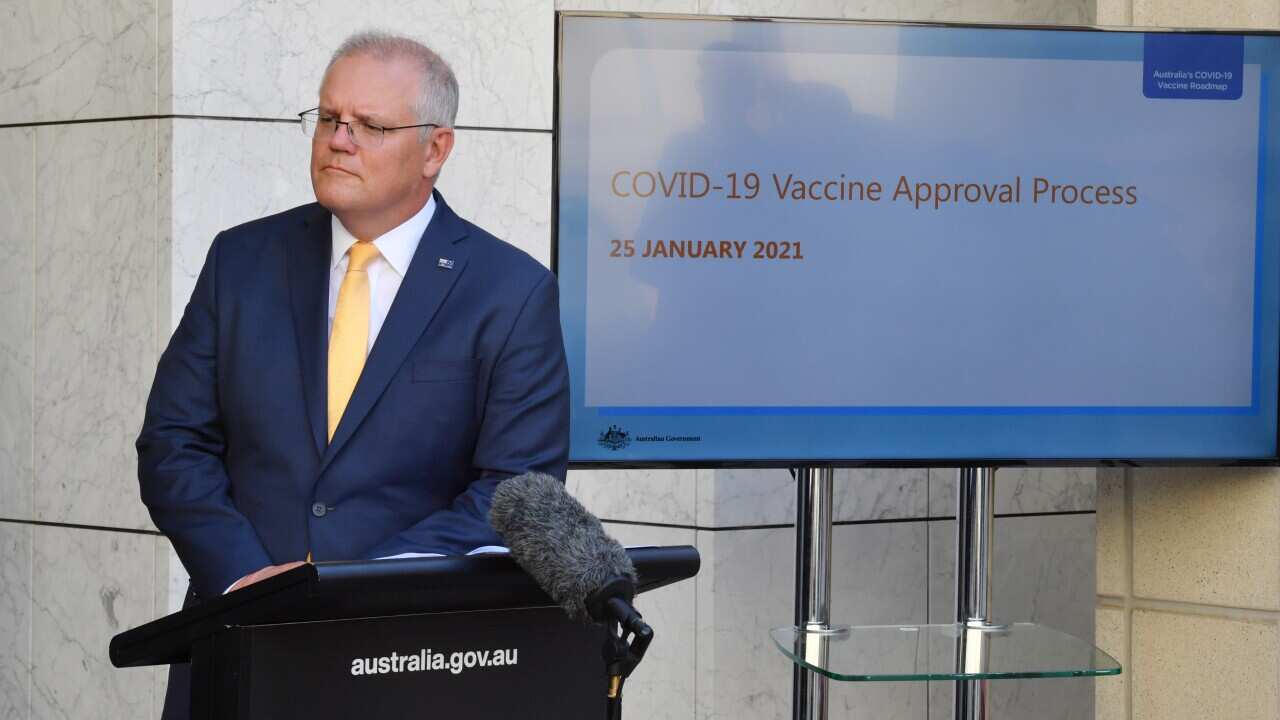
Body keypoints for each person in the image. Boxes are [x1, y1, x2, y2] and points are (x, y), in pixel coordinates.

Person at [136, 31, 569, 719]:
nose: (339, 139)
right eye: (330, 118)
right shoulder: (241, 262)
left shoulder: (509, 293)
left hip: (410, 662)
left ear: (436, 149)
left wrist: (345, 586)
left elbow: (515, 488)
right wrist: (247, 577)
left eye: (370, 125)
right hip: (236, 648)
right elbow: (173, 443)